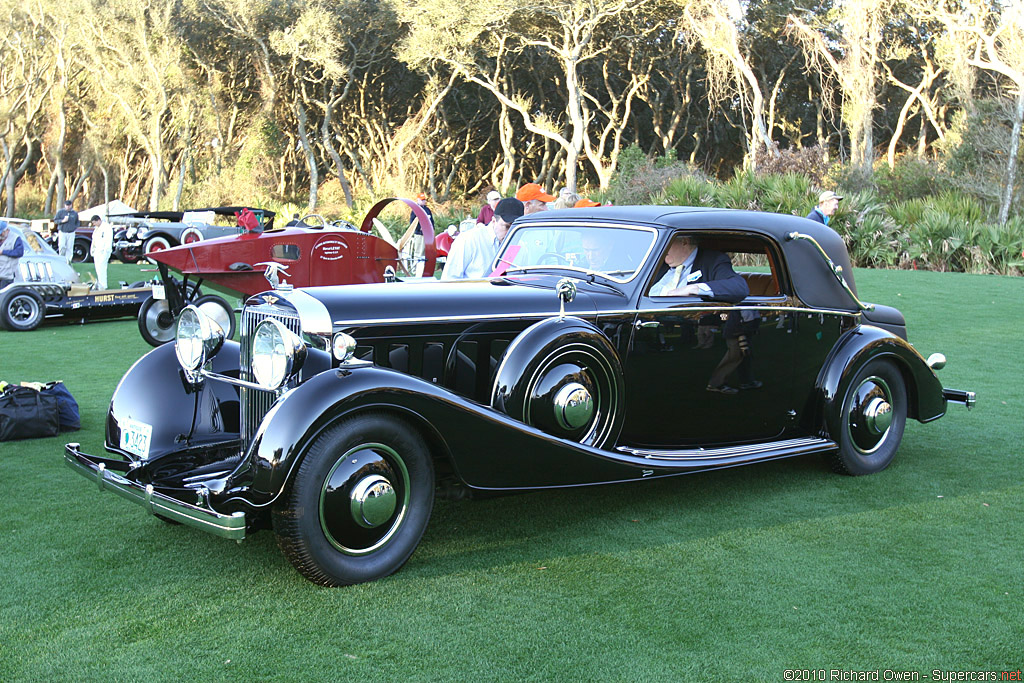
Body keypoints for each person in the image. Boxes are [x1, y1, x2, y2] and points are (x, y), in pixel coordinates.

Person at [648, 234, 748, 303]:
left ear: (684, 242)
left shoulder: (712, 261)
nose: (662, 248)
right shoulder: (656, 262)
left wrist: (693, 289)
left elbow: (739, 286)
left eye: (667, 242)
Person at [442, 198, 524, 280]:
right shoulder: (468, 240)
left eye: (516, 228)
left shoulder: (521, 245)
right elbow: (449, 280)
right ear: (494, 221)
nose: (511, 233)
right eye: (507, 227)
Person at [89, 215, 114, 290]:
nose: (94, 225)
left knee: (102, 268)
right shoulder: (96, 229)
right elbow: (94, 239)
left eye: (94, 223)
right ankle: (100, 283)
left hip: (104, 251)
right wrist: (92, 249)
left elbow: (108, 240)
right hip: (97, 250)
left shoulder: (107, 228)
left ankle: (103, 285)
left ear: (99, 220)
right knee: (98, 268)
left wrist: (106, 251)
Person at [0, 221, 26, 290]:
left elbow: (19, 252)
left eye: (1, 233)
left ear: (7, 230)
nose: (0, 235)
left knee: (4, 296)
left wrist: (3, 252)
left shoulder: (16, 238)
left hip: (8, 275)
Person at [53, 199, 79, 264]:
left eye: (69, 205)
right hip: (62, 232)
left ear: (71, 205)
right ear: (65, 205)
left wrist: (74, 228)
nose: (68, 207)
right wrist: (62, 221)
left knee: (70, 247)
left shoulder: (74, 213)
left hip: (71, 232)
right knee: (62, 246)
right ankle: (61, 259)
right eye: (66, 205)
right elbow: (55, 220)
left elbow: (77, 222)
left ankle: (68, 261)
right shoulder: (60, 212)